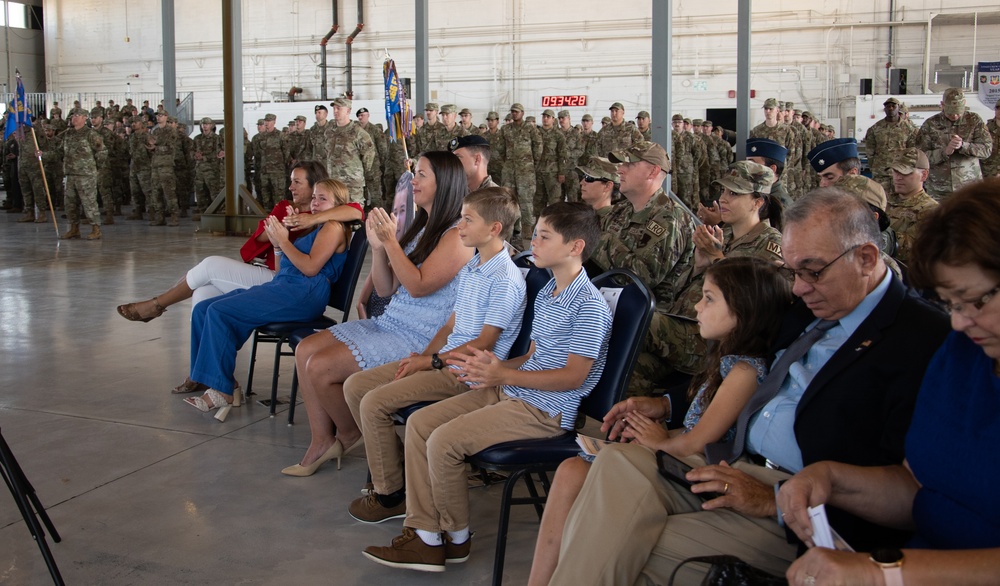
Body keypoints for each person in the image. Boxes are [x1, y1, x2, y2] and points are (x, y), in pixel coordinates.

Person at [544, 188, 951, 585]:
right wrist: (667, 405)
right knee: (617, 465)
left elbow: (914, 489)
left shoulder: (921, 341)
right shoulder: (807, 306)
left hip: (808, 509)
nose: (799, 286)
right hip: (732, 464)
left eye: (813, 271)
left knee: (629, 540)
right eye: (793, 272)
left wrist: (773, 498)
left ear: (866, 257)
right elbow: (744, 364)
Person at [362, 202, 613, 573]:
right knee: (420, 425)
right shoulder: (549, 292)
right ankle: (426, 535)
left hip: (546, 410)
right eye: (535, 233)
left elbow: (573, 377)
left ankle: (454, 537)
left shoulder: (589, 306)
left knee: (444, 440)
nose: (534, 242)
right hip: (513, 390)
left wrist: (504, 375)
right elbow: (532, 355)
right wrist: (494, 368)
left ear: (575, 247)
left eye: (545, 236)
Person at [779, 179, 1000, 586]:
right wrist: (831, 478)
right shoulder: (963, 354)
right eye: (950, 304)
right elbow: (920, 490)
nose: (958, 320)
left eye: (976, 300)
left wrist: (884, 573)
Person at [527, 256, 794, 586]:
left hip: (698, 463)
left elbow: (701, 442)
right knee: (570, 470)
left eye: (709, 298)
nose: (697, 307)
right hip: (681, 451)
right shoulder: (725, 361)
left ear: (745, 311)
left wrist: (661, 442)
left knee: (606, 477)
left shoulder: (744, 372)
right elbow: (695, 422)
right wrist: (651, 429)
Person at [342, 187, 525, 521]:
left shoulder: (505, 278)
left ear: (495, 228)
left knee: (374, 402)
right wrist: (421, 359)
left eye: (468, 220)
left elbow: (484, 342)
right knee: (355, 386)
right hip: (443, 361)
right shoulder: (474, 266)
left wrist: (433, 362)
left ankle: (389, 495)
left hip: (467, 372)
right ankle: (395, 473)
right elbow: (452, 323)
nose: (460, 227)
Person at [285, 151, 472, 476]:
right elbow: (387, 290)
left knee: (321, 368)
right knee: (304, 350)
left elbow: (418, 286)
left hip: (421, 336)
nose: (413, 181)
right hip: (392, 321)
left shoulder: (456, 235)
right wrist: (377, 246)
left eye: (422, 175)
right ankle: (322, 439)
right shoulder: (423, 225)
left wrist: (391, 242)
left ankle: (350, 432)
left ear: (444, 183)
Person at [179, 178, 351, 421]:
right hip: (285, 285)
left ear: (338, 204)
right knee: (204, 309)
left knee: (219, 312)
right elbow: (284, 269)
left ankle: (221, 389)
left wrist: (283, 240)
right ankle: (220, 379)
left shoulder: (333, 227)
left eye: (322, 199)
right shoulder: (318, 227)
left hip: (303, 293)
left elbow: (311, 268)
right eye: (314, 197)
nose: (314, 203)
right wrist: (278, 245)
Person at [115, 162, 361, 331]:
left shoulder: (333, 218)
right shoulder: (285, 207)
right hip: (275, 271)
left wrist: (310, 218)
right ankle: (201, 372)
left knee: (211, 265)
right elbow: (257, 240)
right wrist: (284, 228)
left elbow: (357, 211)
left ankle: (157, 305)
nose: (291, 187)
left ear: (316, 185)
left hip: (289, 283)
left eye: (297, 182)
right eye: (291, 182)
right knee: (203, 296)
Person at [908, 87, 992, 199]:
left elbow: (986, 150)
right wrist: (944, 152)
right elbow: (919, 157)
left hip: (969, 188)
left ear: (964, 104)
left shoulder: (974, 121)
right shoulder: (930, 124)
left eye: (958, 112)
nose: (955, 116)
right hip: (938, 190)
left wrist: (963, 146)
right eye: (951, 113)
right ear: (942, 105)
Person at [59, 107, 107, 240]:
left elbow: (102, 152)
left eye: (77, 116)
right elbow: (59, 152)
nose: (73, 118)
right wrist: (42, 155)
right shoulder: (68, 134)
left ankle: (96, 228)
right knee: (70, 203)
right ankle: (74, 229)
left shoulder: (90, 134)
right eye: (73, 116)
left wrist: (95, 168)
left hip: (86, 175)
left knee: (89, 202)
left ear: (85, 118)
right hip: (70, 174)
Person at [863, 97, 916, 195]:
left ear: (898, 108)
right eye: (888, 106)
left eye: (893, 106)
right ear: (884, 109)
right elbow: (870, 151)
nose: (890, 108)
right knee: (880, 199)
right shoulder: (875, 129)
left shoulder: (909, 129)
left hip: (901, 173)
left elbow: (912, 151)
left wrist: (908, 169)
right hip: (881, 173)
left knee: (901, 200)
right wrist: (874, 167)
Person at [575, 155, 618, 224]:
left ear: (607, 186)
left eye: (589, 178)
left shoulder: (612, 222)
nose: (581, 182)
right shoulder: (585, 215)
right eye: (583, 176)